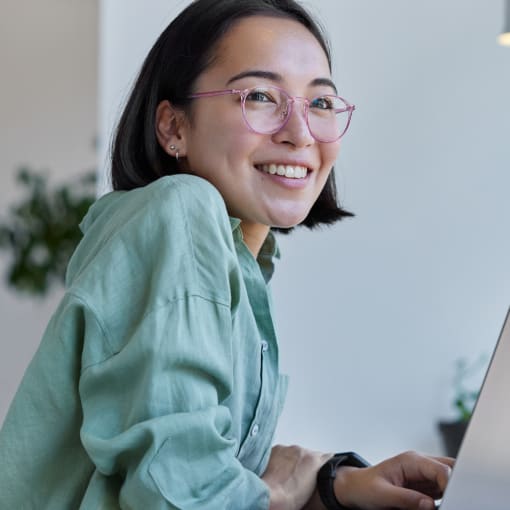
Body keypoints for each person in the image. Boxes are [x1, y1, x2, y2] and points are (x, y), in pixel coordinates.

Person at [0, 0, 454, 508]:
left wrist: (329, 483)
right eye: (260, 96)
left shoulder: (242, 261)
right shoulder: (179, 211)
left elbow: (200, 462)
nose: (300, 134)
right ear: (174, 128)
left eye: (321, 103)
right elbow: (178, 493)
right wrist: (281, 491)